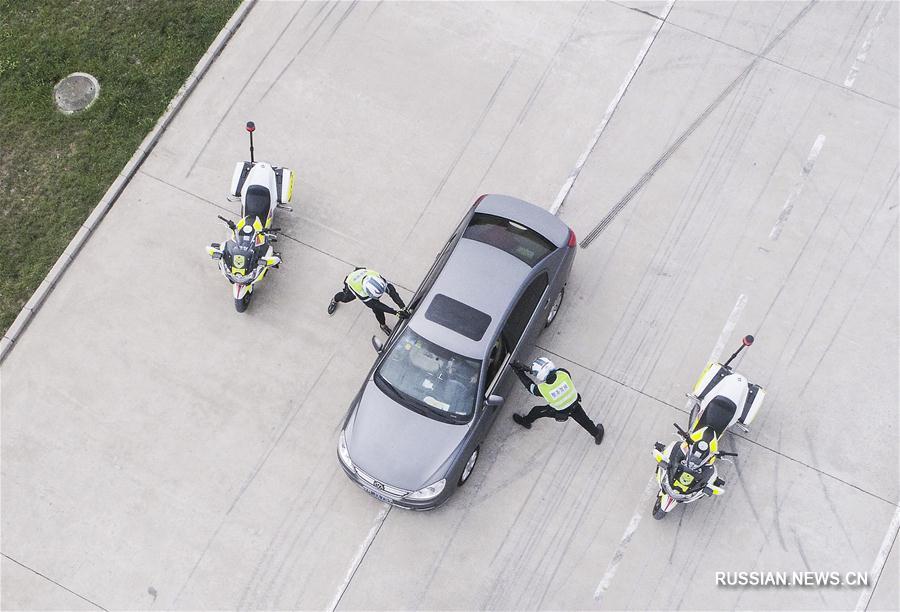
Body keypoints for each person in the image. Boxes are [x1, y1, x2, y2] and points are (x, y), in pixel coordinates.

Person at [511, 357, 604, 445]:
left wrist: (519, 371)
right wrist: (529, 369)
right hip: (574, 404)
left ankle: (526, 421)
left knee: (537, 411)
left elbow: (529, 385)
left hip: (560, 410)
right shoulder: (563, 373)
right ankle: (597, 434)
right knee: (585, 421)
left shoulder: (543, 389)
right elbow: (551, 373)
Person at [328, 267, 407, 335]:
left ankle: (383, 326)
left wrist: (402, 307)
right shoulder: (361, 292)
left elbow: (392, 292)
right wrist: (395, 313)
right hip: (352, 280)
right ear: (367, 292)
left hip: (362, 273)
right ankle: (334, 300)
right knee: (346, 298)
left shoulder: (377, 278)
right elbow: (376, 305)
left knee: (378, 308)